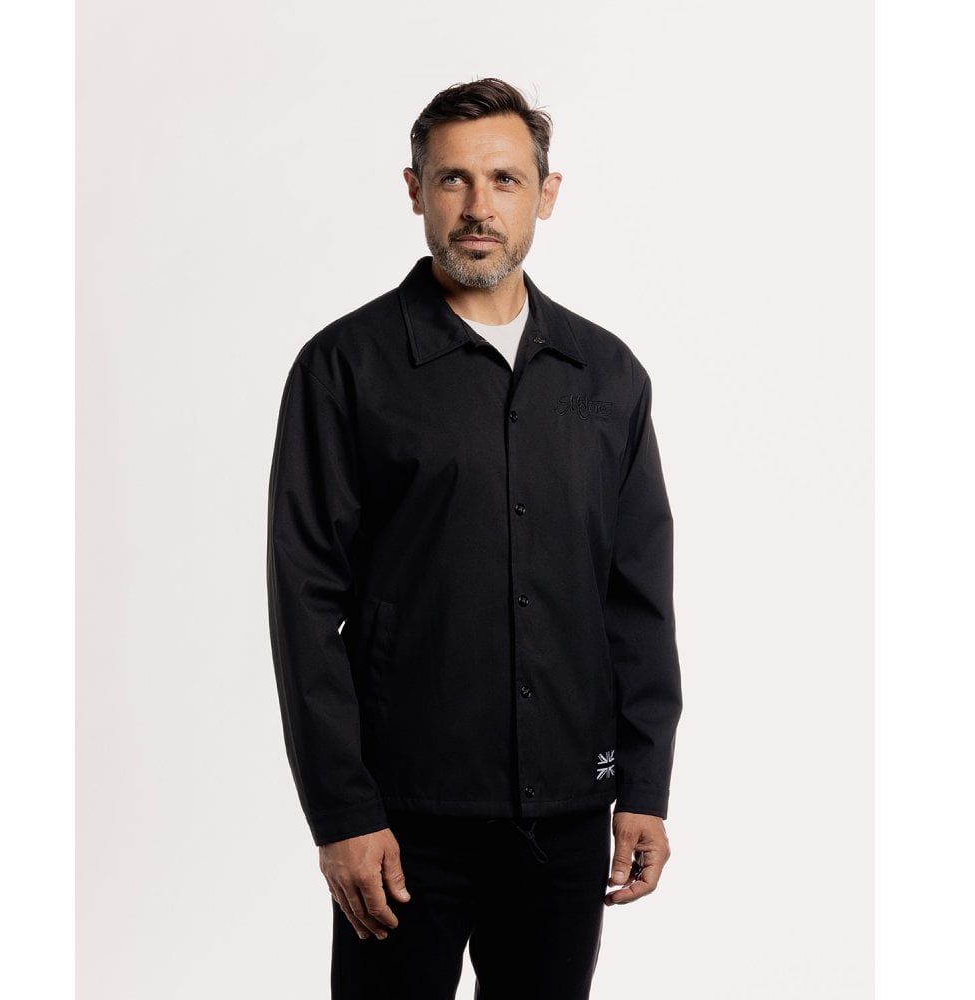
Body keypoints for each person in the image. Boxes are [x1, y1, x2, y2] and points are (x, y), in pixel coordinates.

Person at [267, 78, 683, 1000]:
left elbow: (637, 599)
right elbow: (304, 602)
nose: (479, 207)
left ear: (547, 193)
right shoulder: (345, 367)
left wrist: (645, 784)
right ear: (415, 190)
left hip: (568, 815)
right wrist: (342, 811)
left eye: (504, 179)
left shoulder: (608, 374)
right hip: (401, 822)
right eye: (453, 179)